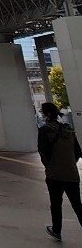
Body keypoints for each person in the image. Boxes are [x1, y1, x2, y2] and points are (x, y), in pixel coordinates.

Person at [38, 101, 82, 241]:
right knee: (77, 204)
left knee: (56, 204)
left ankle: (57, 230)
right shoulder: (68, 129)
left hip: (55, 175)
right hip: (72, 174)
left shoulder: (45, 130)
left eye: (42, 112)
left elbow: (43, 152)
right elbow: (78, 152)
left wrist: (50, 166)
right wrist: (68, 164)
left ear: (47, 114)